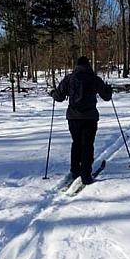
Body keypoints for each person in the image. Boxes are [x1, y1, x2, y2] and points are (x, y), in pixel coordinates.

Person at [50, 56, 112, 184]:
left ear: (76, 66)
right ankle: (85, 175)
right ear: (88, 65)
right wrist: (109, 90)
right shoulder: (94, 79)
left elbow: (59, 97)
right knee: (87, 145)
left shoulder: (69, 79)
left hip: (73, 117)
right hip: (90, 117)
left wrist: (53, 93)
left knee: (76, 142)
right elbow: (106, 97)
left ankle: (75, 170)